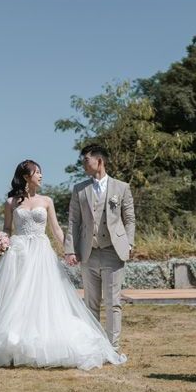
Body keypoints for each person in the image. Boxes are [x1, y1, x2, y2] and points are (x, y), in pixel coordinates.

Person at [0, 159, 126, 370]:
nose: (41, 176)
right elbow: (7, 228)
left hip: (41, 253)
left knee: (42, 297)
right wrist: (1, 241)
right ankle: (12, 341)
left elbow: (57, 230)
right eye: (37, 172)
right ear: (26, 176)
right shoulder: (11, 202)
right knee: (15, 297)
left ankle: (41, 340)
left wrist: (70, 250)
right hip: (18, 253)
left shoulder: (47, 201)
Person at [64, 144, 135, 351]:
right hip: (89, 252)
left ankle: (113, 348)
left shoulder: (122, 188)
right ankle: (93, 346)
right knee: (90, 303)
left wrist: (129, 243)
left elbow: (129, 219)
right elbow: (73, 221)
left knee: (113, 303)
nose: (83, 164)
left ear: (99, 161)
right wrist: (70, 249)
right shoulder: (79, 189)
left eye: (86, 160)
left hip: (114, 251)